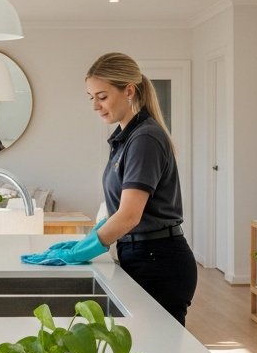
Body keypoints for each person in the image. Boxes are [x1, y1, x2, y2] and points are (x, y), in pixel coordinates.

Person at [21, 52, 197, 324]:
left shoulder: (145, 138)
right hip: (141, 256)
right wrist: (84, 241)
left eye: (102, 97)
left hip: (158, 263)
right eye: (91, 97)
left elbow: (129, 215)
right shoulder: (127, 138)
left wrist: (80, 252)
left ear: (129, 90)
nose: (95, 106)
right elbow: (117, 210)